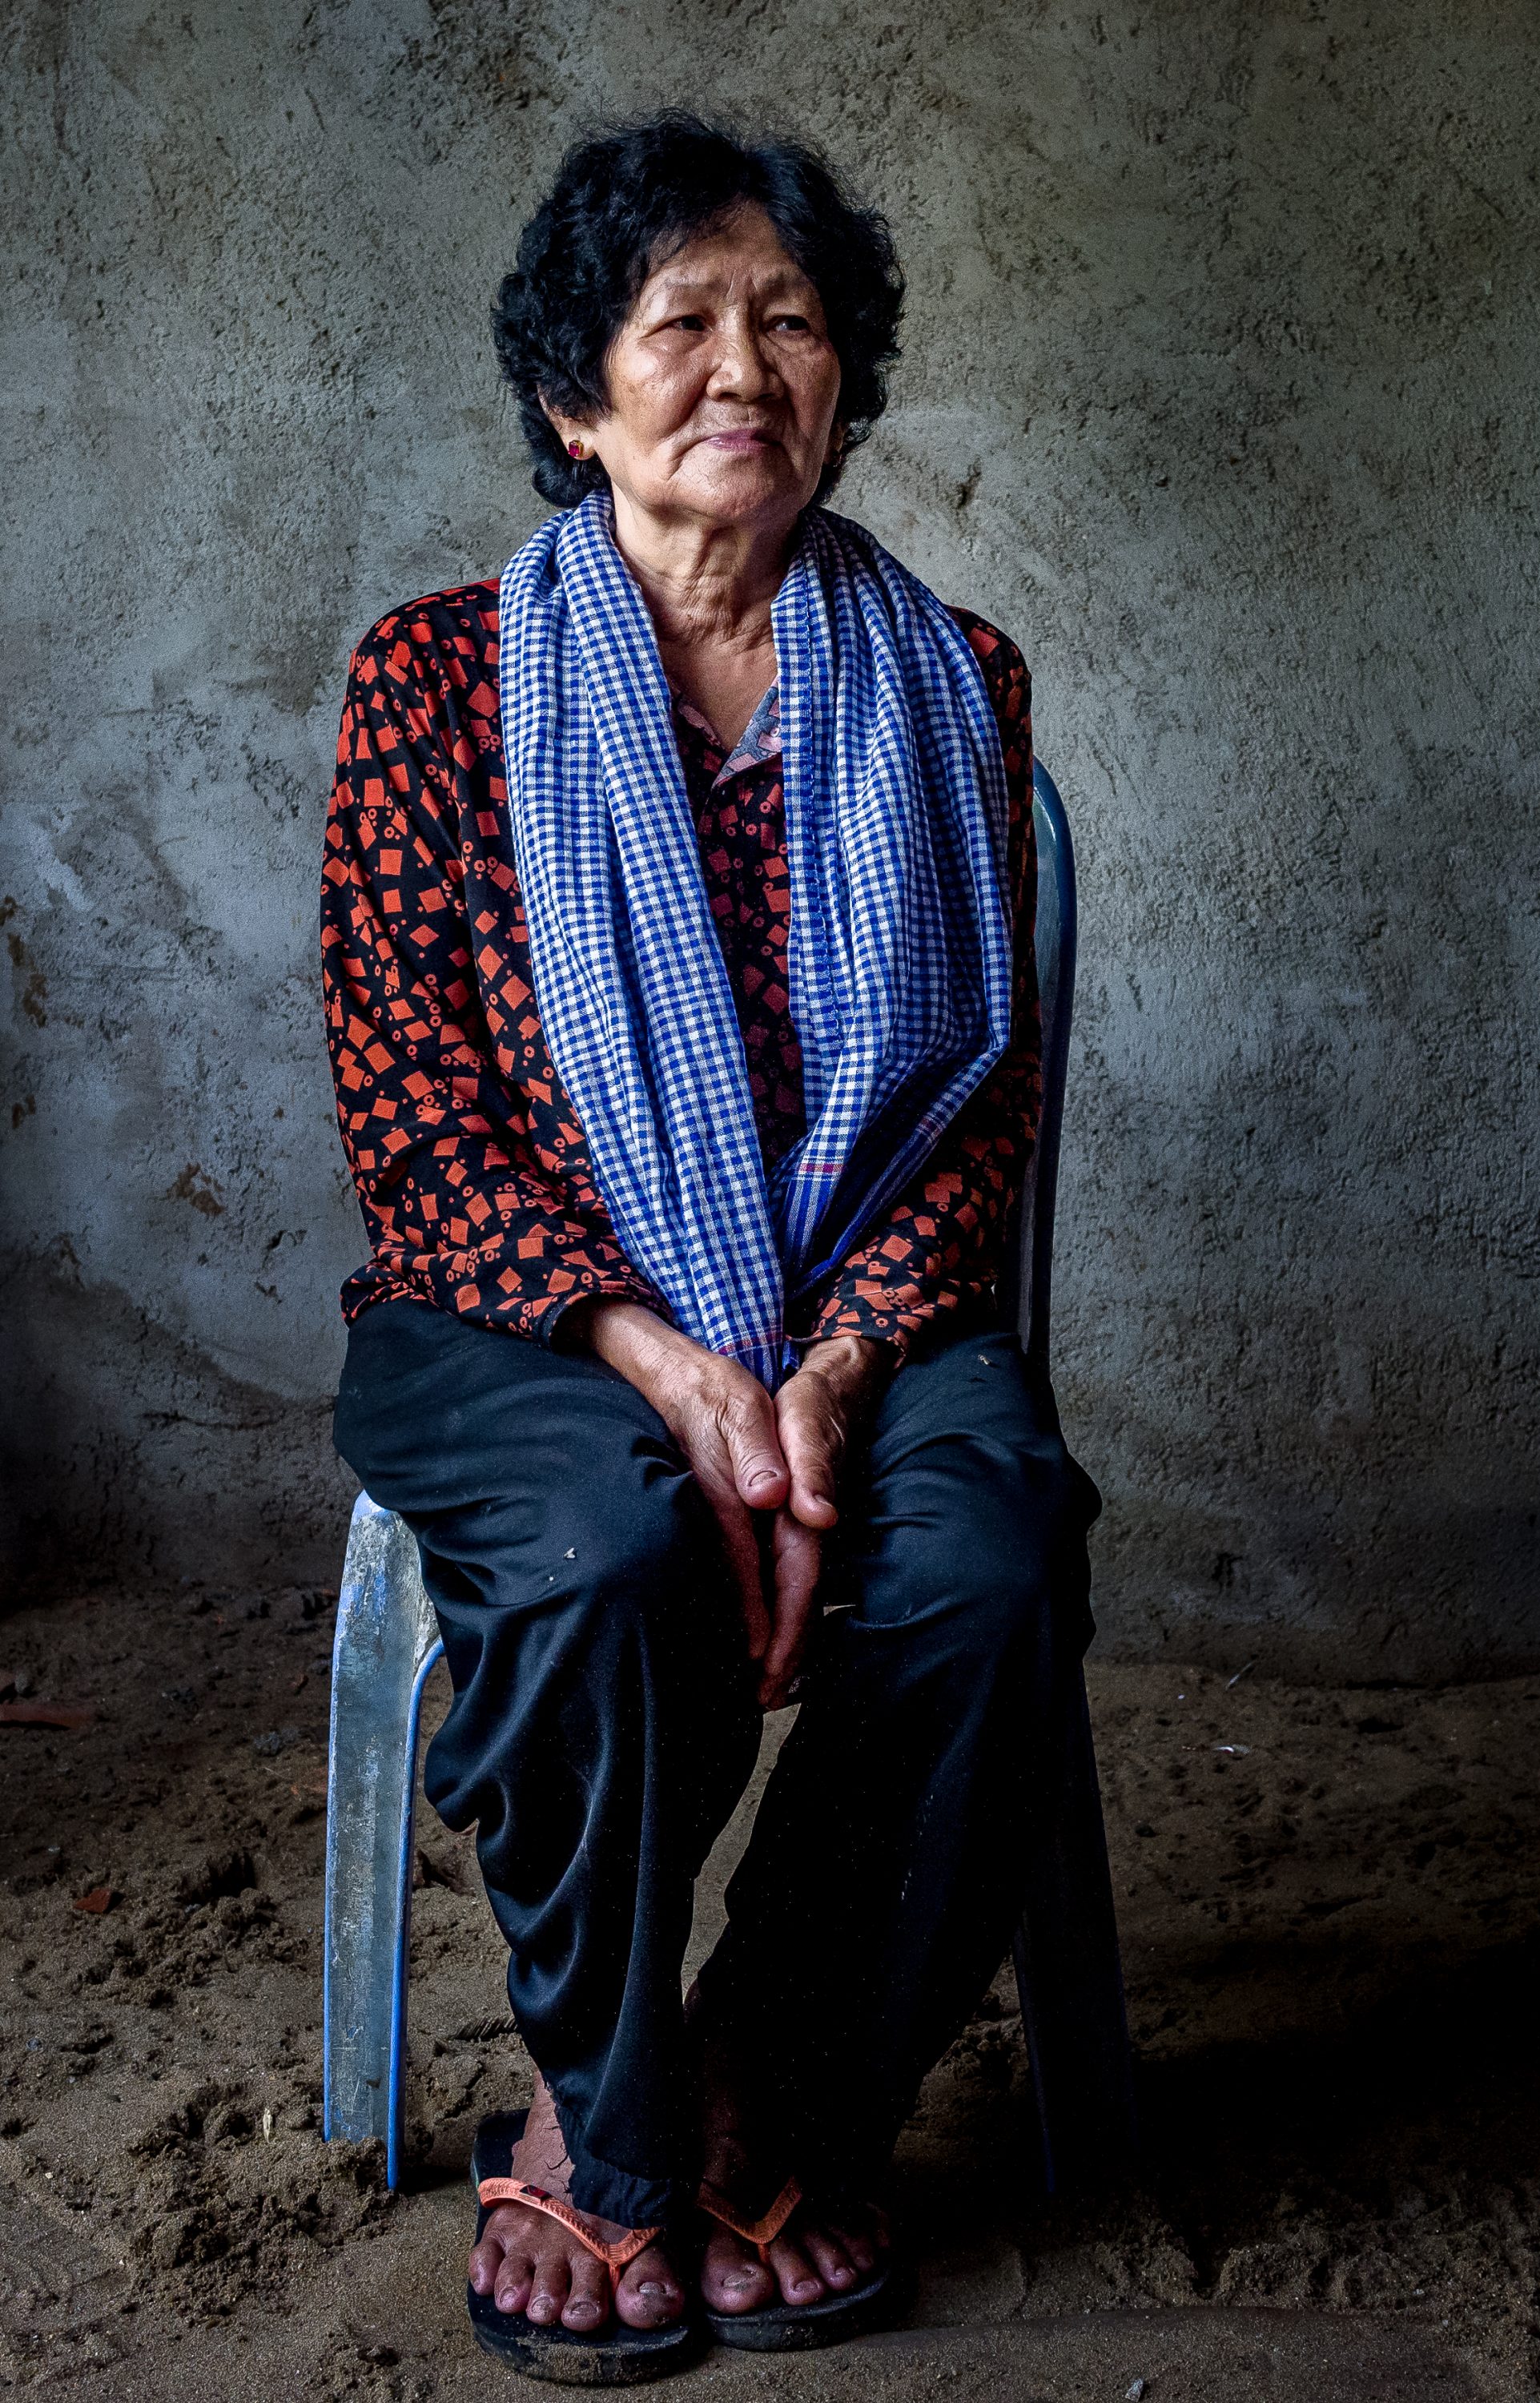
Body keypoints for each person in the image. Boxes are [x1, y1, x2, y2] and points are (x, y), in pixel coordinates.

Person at [323, 110, 1099, 2382]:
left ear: (845, 380)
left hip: (875, 1294)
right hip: (526, 1305)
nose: (746, 363)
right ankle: (611, 2118)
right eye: (682, 324)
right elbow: (415, 1116)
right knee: (597, 1548)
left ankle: (759, 2081)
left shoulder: (952, 678)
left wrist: (834, 1372)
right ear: (581, 401)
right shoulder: (433, 687)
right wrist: (677, 1368)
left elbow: (978, 1114)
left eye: (793, 322)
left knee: (987, 1559)